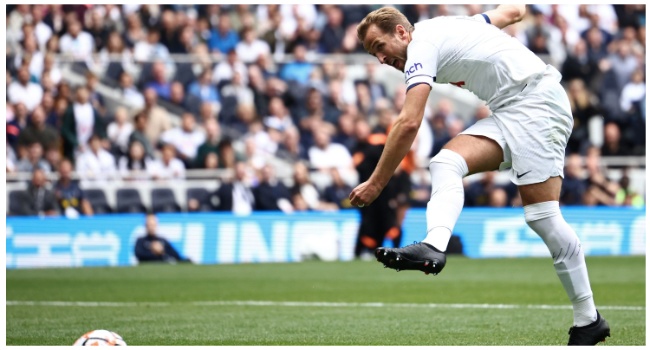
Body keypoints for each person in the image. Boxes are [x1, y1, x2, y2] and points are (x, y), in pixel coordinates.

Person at [349, 5, 609, 345]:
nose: (380, 59)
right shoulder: (450, 27)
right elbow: (506, 13)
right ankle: (433, 247)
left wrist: (376, 182)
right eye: (373, 55)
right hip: (512, 109)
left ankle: (589, 319)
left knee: (543, 216)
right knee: (445, 163)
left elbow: (408, 122)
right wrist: (517, 10)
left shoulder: (420, 47)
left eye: (379, 47)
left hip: (537, 105)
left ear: (401, 32)